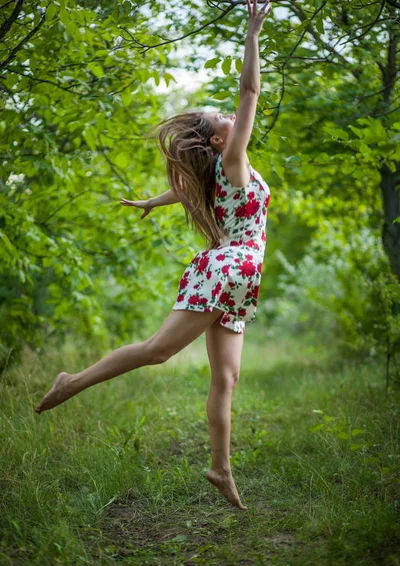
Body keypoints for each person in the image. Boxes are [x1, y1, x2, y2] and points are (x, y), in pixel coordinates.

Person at [35, 0, 273, 511]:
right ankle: (71, 382)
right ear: (218, 140)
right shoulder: (233, 159)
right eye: (226, 119)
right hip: (228, 269)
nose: (236, 117)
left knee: (226, 378)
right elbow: (250, 90)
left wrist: (150, 200)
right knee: (158, 350)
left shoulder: (218, 171)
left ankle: (220, 468)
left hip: (240, 277)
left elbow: (187, 190)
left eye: (233, 116)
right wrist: (253, 30)